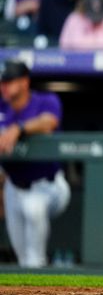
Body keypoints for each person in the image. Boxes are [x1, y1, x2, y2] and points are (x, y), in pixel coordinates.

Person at [0, 59, 70, 268]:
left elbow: (49, 122)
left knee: (33, 209)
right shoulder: (2, 107)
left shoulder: (45, 100)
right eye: (2, 82)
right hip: (13, 187)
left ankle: (40, 285)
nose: (3, 86)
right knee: (24, 259)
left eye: (8, 81)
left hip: (48, 186)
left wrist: (19, 129)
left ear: (24, 82)